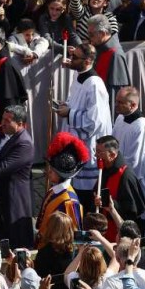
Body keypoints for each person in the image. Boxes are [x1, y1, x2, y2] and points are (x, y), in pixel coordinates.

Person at [56, 43, 113, 208]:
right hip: (76, 141)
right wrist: (66, 105)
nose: (71, 59)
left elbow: (94, 121)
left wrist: (69, 113)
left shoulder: (94, 85)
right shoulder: (78, 76)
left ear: (87, 61)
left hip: (88, 144)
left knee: (85, 195)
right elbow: (76, 102)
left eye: (75, 57)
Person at [0, 105, 34, 248]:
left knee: (16, 237)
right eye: (2, 119)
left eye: (7, 121)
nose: (2, 123)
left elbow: (0, 169)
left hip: (15, 199)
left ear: (20, 124)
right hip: (4, 195)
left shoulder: (24, 143)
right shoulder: (10, 136)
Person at [36, 133, 89, 246]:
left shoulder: (70, 202)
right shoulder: (53, 190)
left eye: (53, 170)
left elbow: (73, 236)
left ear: (62, 175)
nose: (49, 171)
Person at [94, 136, 145, 241]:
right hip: (103, 232)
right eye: (95, 151)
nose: (96, 155)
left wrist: (110, 203)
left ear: (112, 155)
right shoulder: (105, 170)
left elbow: (131, 212)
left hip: (118, 235)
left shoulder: (125, 176)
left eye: (99, 152)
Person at [112, 87, 145, 204]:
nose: (116, 105)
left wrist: (121, 178)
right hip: (119, 175)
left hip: (136, 184)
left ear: (133, 105)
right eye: (116, 101)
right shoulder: (120, 118)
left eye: (120, 102)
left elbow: (137, 163)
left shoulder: (141, 127)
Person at [87, 14, 130, 112]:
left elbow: (116, 94)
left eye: (91, 34)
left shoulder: (115, 55)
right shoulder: (99, 48)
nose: (89, 38)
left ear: (102, 34)